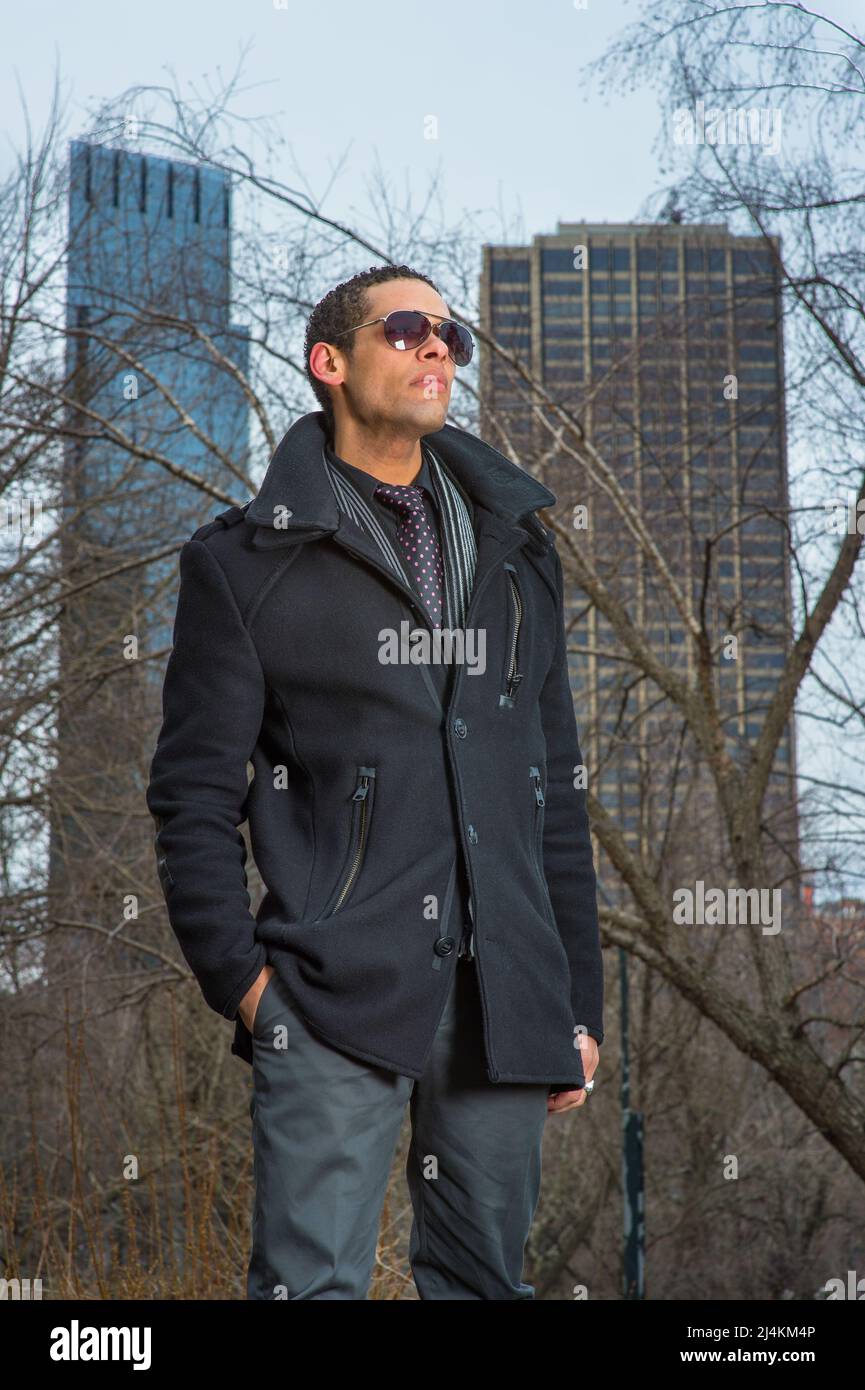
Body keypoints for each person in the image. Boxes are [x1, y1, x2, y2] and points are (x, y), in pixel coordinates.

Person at [146, 264, 604, 1300]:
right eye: (407, 330)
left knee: (487, 1287)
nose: (438, 347)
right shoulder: (242, 565)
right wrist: (250, 990)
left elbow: (554, 792)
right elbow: (192, 797)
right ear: (331, 363)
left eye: (451, 335)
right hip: (326, 996)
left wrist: (576, 1000)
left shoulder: (518, 552)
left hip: (506, 1000)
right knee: (308, 1290)